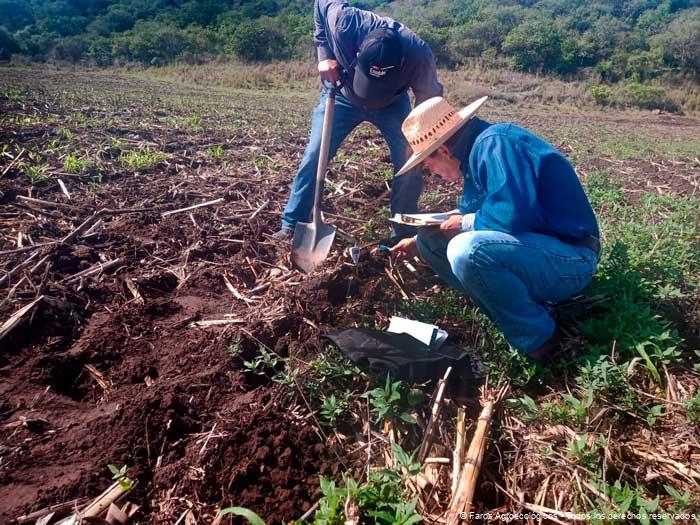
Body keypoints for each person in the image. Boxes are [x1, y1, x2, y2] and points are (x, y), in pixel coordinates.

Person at [390, 96, 600, 361]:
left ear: (442, 150)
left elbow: (512, 213)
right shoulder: (474, 155)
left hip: (572, 260)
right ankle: (504, 306)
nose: (434, 175)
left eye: (428, 167)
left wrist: (465, 223)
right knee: (429, 240)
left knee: (467, 250)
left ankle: (539, 339)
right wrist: (419, 240)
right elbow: (474, 210)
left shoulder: (497, 142)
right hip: (539, 254)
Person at [273, 0, 443, 242]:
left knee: (411, 162)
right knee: (314, 155)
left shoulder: (418, 54)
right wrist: (324, 55)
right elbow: (319, 8)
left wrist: (420, 139)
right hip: (343, 95)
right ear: (357, 51)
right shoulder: (344, 23)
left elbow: (428, 99)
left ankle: (403, 233)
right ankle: (292, 223)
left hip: (392, 105)